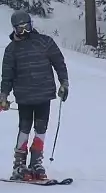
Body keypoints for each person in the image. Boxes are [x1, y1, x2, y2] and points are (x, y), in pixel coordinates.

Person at [0, 11, 68, 181]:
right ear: (15, 29)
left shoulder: (44, 42)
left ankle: (36, 162)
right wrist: (3, 95)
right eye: (20, 28)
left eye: (27, 27)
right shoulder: (11, 50)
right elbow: (7, 76)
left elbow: (59, 62)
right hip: (24, 96)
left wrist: (64, 82)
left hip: (44, 94)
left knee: (41, 128)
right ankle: (19, 165)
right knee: (24, 128)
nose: (24, 31)